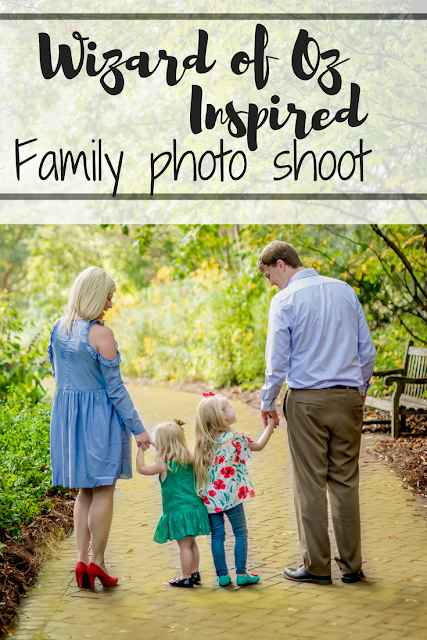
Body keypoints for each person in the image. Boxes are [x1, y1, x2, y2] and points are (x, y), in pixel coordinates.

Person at [258, 240, 376, 585]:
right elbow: (365, 350)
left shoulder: (285, 300)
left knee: (309, 484)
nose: (271, 284)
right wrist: (361, 390)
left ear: (281, 264)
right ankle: (352, 567)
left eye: (269, 275)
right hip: (348, 398)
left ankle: (316, 566)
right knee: (345, 482)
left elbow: (277, 360)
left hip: (307, 402)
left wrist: (267, 401)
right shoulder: (344, 291)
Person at [48, 266, 155, 591]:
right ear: (95, 296)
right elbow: (116, 390)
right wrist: (139, 429)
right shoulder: (101, 336)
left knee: (84, 490)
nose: (110, 304)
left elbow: (57, 372)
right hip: (98, 421)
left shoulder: (57, 328)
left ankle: (81, 560)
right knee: (104, 489)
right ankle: (98, 562)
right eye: (108, 297)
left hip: (67, 418)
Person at [193, 393, 276, 587]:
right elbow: (259, 445)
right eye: (229, 407)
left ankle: (222, 576)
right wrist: (270, 427)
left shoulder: (202, 443)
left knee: (218, 536)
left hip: (211, 498)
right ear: (221, 416)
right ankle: (241, 573)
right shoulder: (235, 439)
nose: (233, 410)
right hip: (232, 496)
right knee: (240, 533)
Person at [137, 420, 211, 588]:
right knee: (192, 543)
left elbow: (141, 468)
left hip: (178, 511)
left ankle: (185, 577)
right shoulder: (191, 459)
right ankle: (195, 572)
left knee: (184, 546)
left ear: (161, 444)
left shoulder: (163, 465)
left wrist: (140, 449)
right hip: (194, 509)